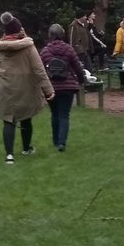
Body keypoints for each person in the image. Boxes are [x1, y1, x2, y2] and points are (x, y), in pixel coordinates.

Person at [0, 12, 53, 164]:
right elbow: (39, 69)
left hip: (4, 86)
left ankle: (9, 156)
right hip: (25, 86)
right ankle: (26, 148)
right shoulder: (28, 47)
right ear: (19, 30)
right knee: (26, 117)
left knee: (8, 120)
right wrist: (48, 89)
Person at [40, 23, 87, 151]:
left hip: (51, 88)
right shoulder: (69, 49)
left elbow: (40, 70)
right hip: (68, 87)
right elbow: (77, 67)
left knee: (54, 114)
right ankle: (62, 143)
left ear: (50, 35)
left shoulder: (45, 51)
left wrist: (41, 86)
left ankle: (56, 141)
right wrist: (81, 81)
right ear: (62, 35)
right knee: (64, 115)